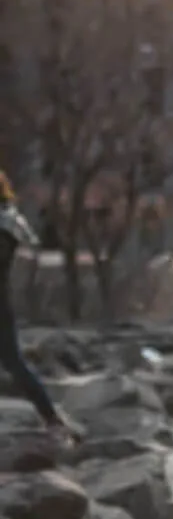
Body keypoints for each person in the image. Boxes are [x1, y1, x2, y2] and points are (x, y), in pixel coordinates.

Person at [0, 172, 75, 442]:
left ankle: (53, 420)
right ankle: (52, 419)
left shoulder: (5, 224)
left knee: (15, 364)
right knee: (14, 364)